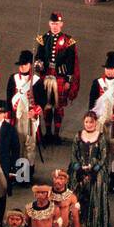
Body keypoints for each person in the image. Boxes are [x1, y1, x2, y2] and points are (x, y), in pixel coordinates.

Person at [34, 11, 80, 143]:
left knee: (58, 107)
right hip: (47, 76)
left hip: (60, 77)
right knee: (47, 105)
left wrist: (68, 80)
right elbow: (39, 56)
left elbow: (71, 63)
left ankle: (56, 134)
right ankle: (47, 132)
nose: (55, 26)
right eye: (53, 23)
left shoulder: (68, 41)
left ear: (61, 24)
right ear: (49, 24)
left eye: (57, 24)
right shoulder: (43, 39)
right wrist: (38, 63)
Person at [69, 107, 111, 227]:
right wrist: (78, 168)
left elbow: (104, 157)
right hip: (79, 169)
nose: (88, 124)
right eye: (86, 122)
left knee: (96, 188)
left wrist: (94, 170)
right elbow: (73, 154)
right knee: (75, 191)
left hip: (96, 171)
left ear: (96, 123)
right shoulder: (78, 135)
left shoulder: (101, 137)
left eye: (91, 122)